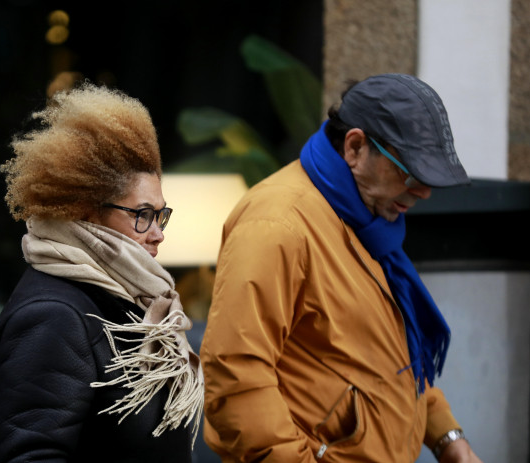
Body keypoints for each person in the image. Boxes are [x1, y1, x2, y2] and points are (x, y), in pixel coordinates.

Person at [199, 73, 484, 462]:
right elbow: (235, 376)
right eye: (411, 172)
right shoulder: (276, 224)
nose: (423, 192)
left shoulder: (367, 220)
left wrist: (447, 436)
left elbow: (393, 357)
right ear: (355, 147)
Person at [0, 82, 203, 463]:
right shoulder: (53, 315)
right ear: (86, 211)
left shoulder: (130, 294)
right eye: (142, 215)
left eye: (161, 214)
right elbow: (30, 456)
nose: (158, 233)